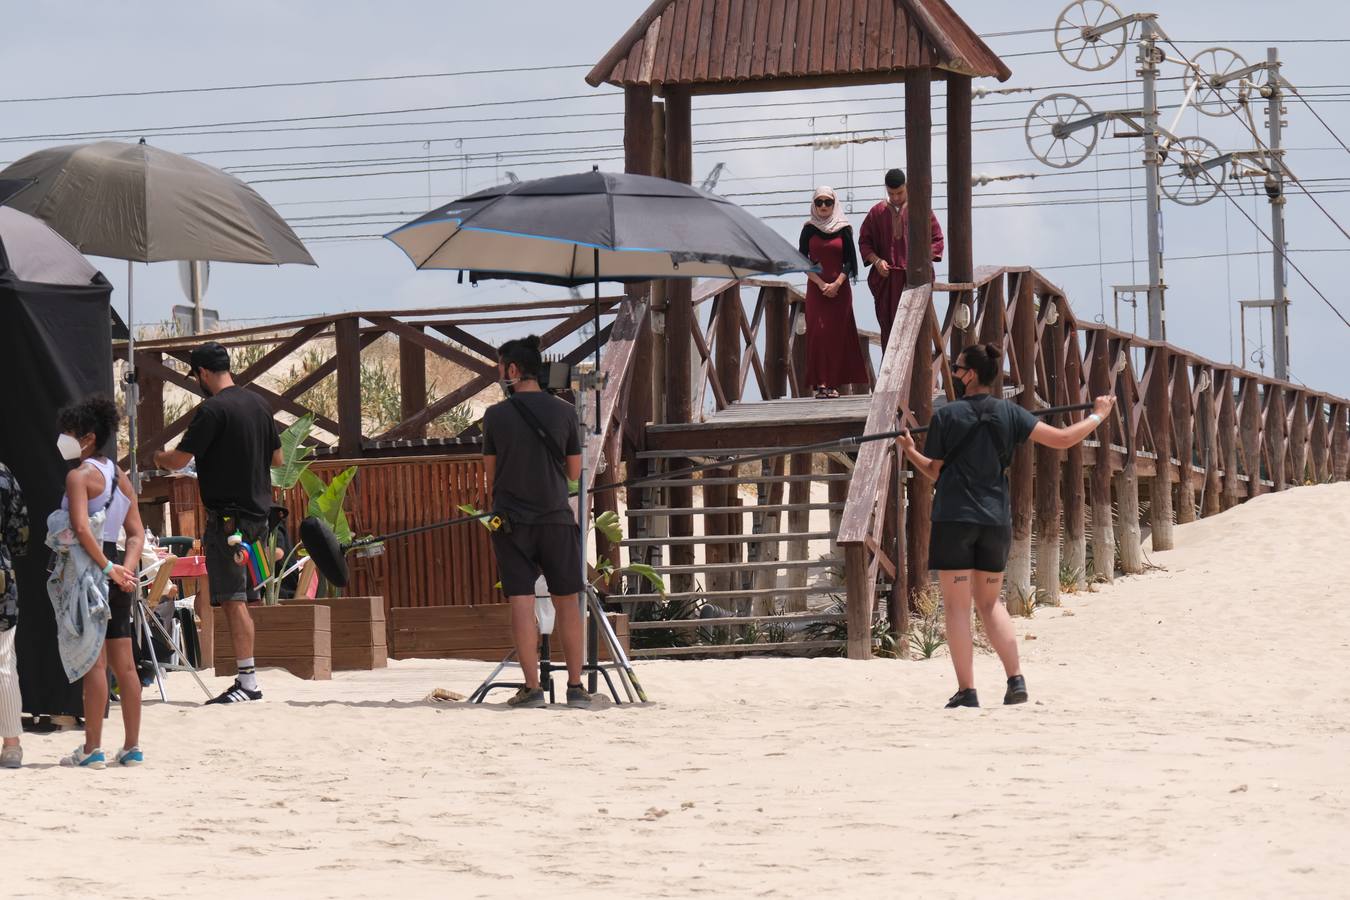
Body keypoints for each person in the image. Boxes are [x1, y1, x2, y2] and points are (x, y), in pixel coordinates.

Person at [897, 343, 1116, 709]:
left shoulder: (946, 416)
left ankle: (967, 691)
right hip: (995, 519)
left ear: (970, 374)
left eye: (957, 368)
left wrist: (908, 448)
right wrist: (1099, 416)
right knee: (988, 602)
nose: (953, 373)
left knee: (956, 607)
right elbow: (1062, 440)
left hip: (954, 517)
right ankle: (1016, 680)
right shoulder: (1010, 413)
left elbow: (933, 471)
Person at [154, 342, 280, 705]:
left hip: (228, 525)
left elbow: (179, 459)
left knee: (232, 600)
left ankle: (248, 682)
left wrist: (158, 456)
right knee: (245, 599)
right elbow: (277, 457)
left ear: (203, 374)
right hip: (259, 519)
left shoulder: (212, 411)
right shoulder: (259, 404)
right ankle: (249, 678)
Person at [481, 335, 590, 709]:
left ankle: (532, 689)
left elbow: (490, 476)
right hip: (556, 520)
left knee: (522, 602)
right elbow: (574, 472)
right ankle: (576, 688)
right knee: (567, 603)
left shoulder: (495, 416)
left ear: (512, 370)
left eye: (500, 369)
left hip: (512, 522)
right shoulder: (564, 412)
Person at [55, 396, 146, 768]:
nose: (63, 440)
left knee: (94, 663)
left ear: (88, 438)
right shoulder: (120, 477)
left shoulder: (78, 476)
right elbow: (136, 532)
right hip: (117, 570)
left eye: (69, 434)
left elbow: (79, 527)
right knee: (125, 665)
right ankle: (132, 746)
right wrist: (125, 569)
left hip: (88, 570)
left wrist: (108, 568)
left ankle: (92, 748)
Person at [858, 168, 945, 351]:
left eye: (899, 193)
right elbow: (865, 242)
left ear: (906, 187)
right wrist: (876, 261)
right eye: (891, 193)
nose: (896, 197)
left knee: (918, 331)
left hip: (915, 280)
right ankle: (891, 376)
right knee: (889, 331)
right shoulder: (877, 212)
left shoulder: (921, 210)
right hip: (887, 282)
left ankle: (922, 377)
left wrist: (920, 260)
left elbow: (937, 239)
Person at [798, 186, 869, 398]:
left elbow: (850, 262)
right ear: (813, 204)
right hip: (816, 288)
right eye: (818, 202)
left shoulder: (844, 228)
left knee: (837, 336)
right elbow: (802, 261)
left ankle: (833, 385)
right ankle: (821, 385)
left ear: (834, 203)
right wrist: (821, 284)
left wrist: (837, 284)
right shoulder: (808, 229)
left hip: (840, 290)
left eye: (827, 202)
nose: (823, 206)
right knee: (818, 334)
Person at [0, 461, 29, 768]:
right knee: (4, 660)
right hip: (0, 575)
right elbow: (20, 534)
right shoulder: (4, 473)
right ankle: (11, 745)